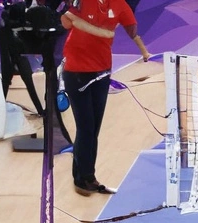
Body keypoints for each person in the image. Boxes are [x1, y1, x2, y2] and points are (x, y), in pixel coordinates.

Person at [60, 0, 150, 196]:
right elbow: (65, 22)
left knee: (93, 129)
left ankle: (85, 177)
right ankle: (85, 178)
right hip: (77, 71)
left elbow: (132, 30)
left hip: (101, 72)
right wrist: (87, 24)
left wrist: (144, 51)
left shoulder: (119, 4)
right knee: (85, 127)